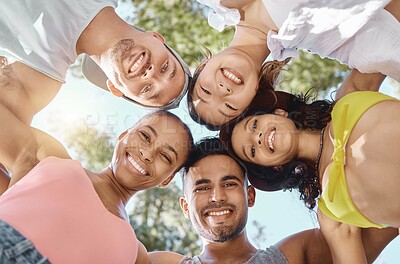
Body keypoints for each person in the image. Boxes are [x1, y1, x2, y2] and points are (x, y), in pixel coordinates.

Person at [147, 137, 398, 264]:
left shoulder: (296, 253)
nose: (217, 196)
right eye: (202, 188)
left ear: (250, 195)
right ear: (185, 207)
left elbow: (388, 217)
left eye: (229, 183)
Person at [220, 62, 400, 228]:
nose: (257, 138)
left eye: (254, 125)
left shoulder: (349, 96)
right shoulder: (331, 213)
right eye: (252, 150)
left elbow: (385, 36)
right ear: (274, 167)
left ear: (279, 112)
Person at [0, 109, 194, 263]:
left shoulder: (136, 254)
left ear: (166, 180)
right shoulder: (49, 154)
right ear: (123, 135)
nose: (147, 153)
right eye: (145, 136)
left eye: (166, 156)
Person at [188, 0, 400, 128]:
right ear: (253, 98)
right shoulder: (324, 36)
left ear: (202, 67)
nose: (222, 90)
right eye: (229, 106)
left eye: (206, 90)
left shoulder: (220, 4)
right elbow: (389, 45)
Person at [0, 0, 191, 129]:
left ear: (115, 89)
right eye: (166, 68)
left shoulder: (40, 76)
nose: (151, 75)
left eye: (147, 89)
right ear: (156, 37)